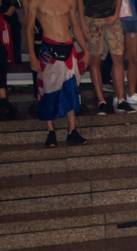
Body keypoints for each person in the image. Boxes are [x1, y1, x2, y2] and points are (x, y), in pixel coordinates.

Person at [27, 0, 91, 147]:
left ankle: (72, 131)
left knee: (71, 89)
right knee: (48, 90)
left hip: (68, 47)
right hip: (48, 48)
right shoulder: (36, 2)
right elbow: (29, 28)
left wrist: (85, 50)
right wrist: (32, 55)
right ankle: (50, 131)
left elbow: (75, 26)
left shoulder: (69, 1)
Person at [78, 0, 135, 114]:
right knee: (95, 60)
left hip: (112, 16)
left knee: (118, 57)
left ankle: (121, 99)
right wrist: (82, 22)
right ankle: (101, 101)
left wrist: (116, 14)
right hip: (92, 17)